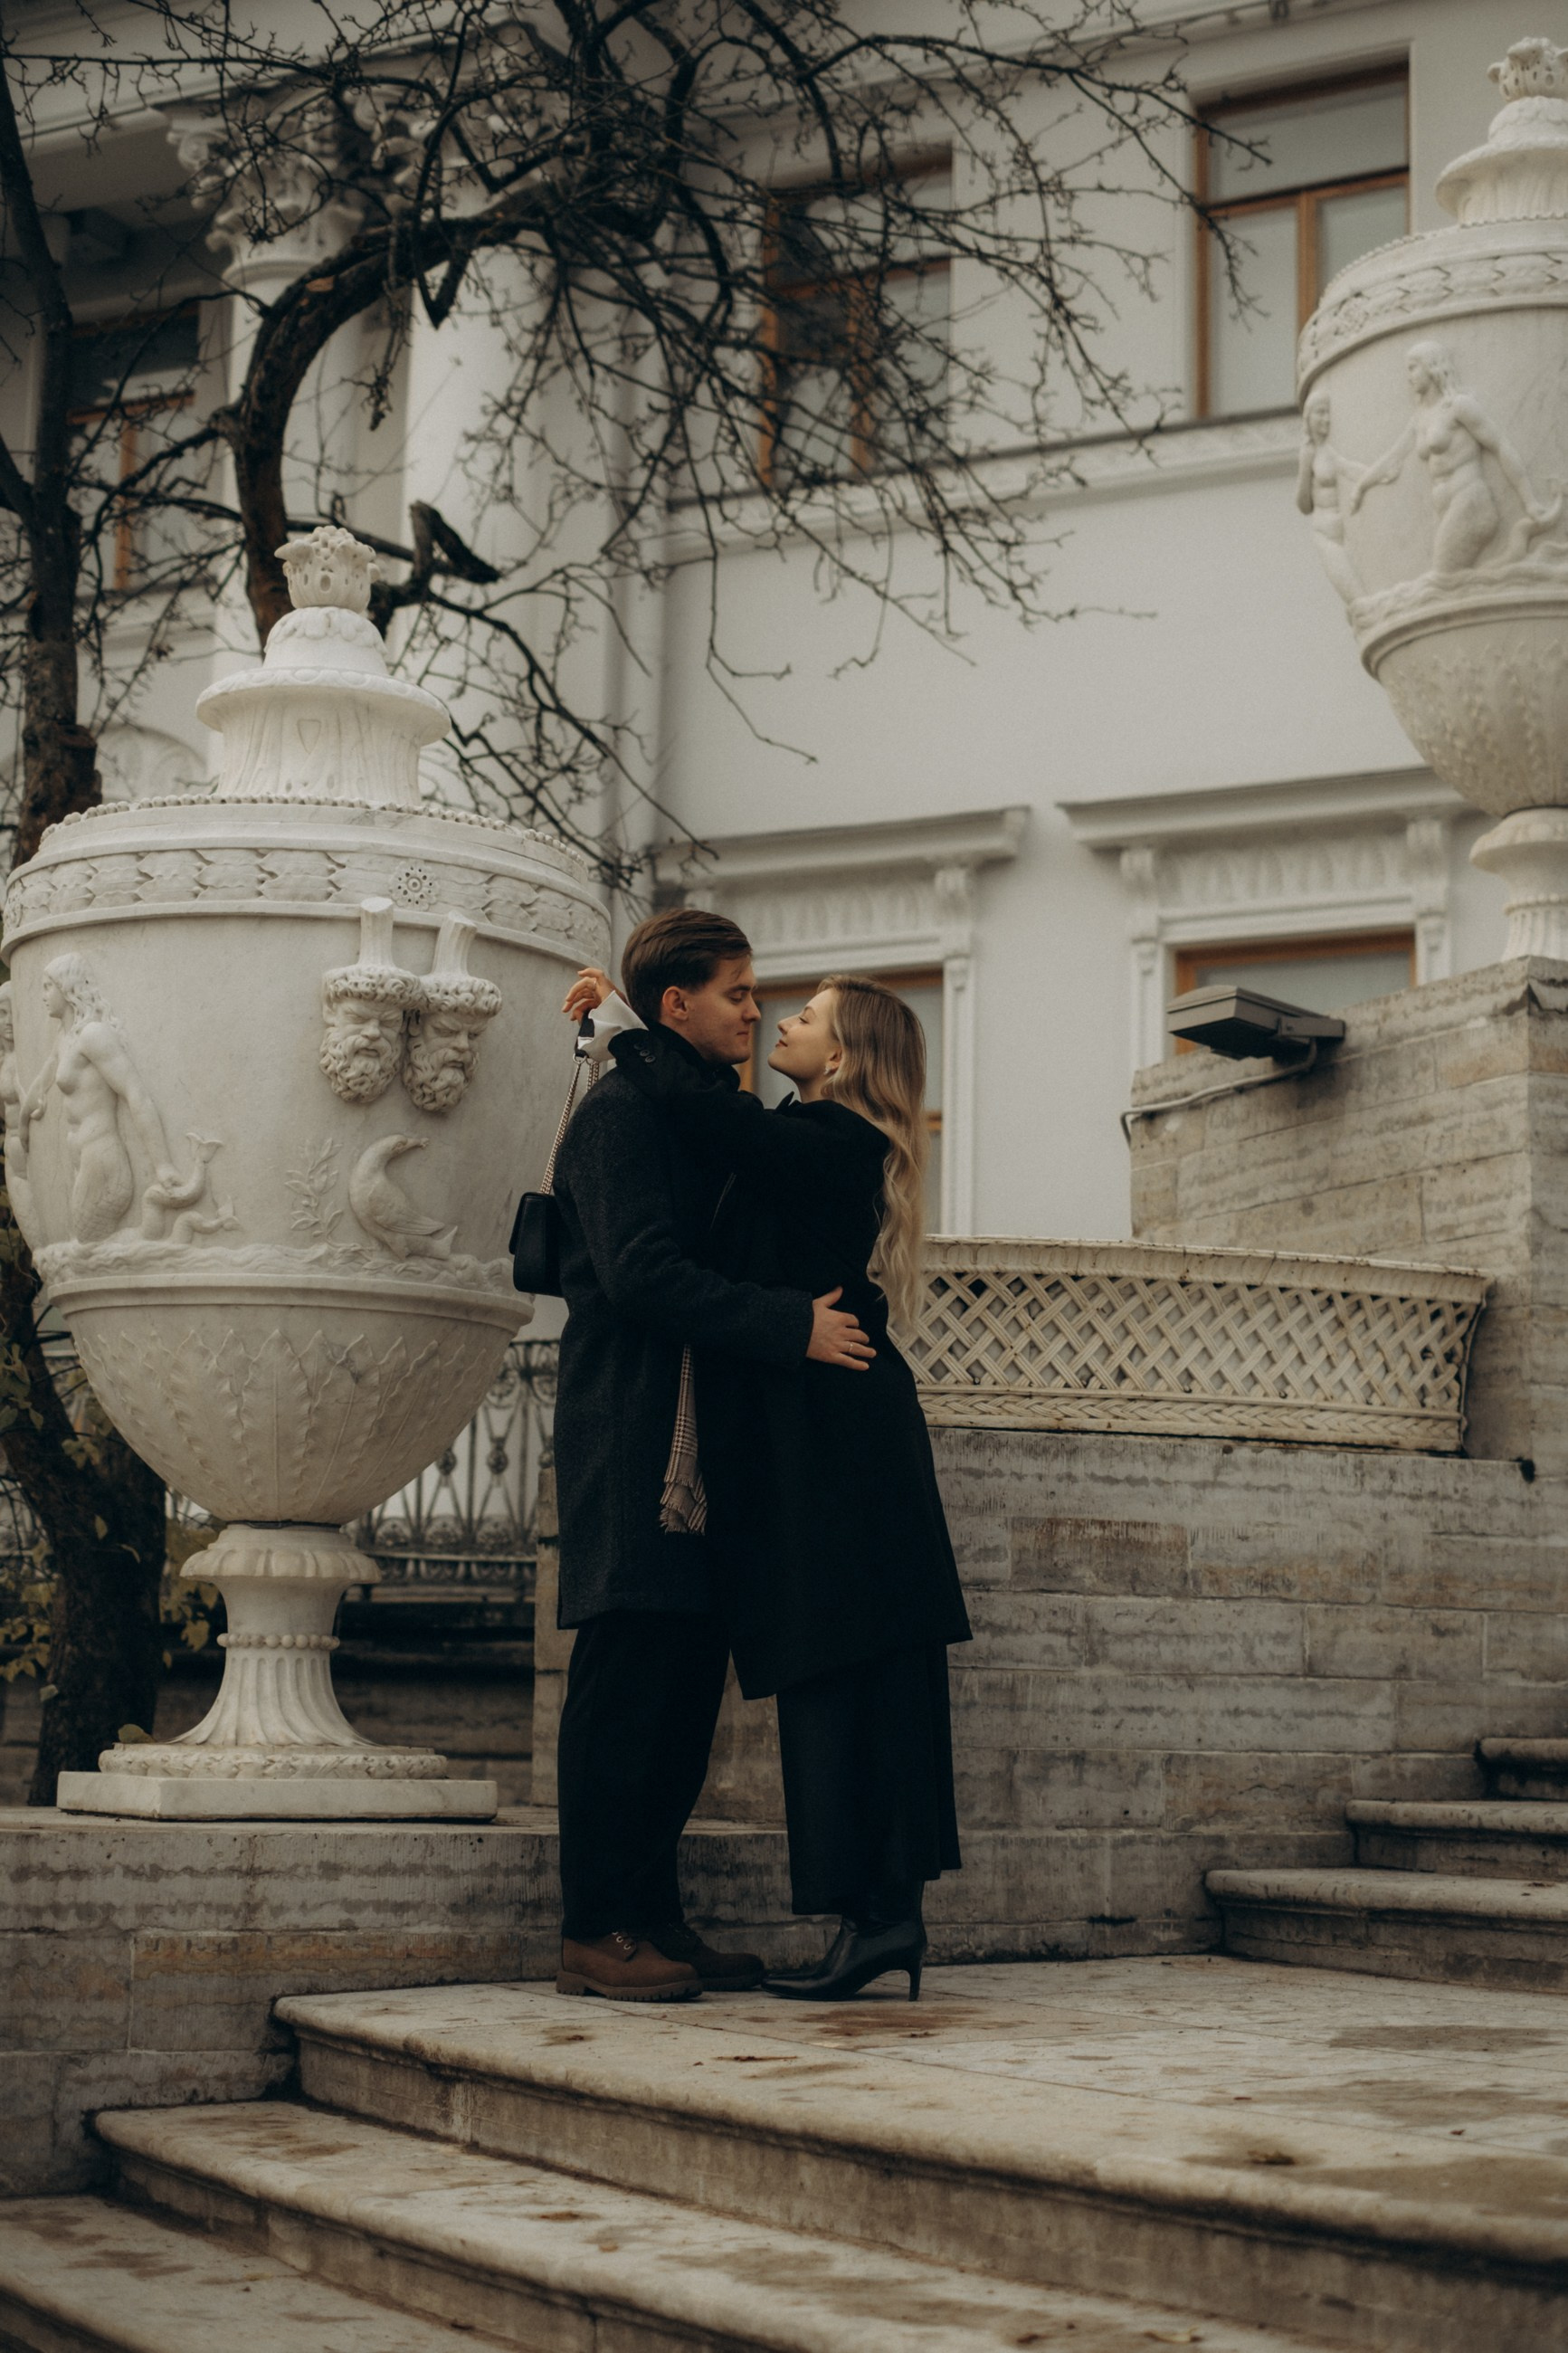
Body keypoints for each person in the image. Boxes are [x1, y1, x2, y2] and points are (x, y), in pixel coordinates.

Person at [565, 964, 971, 2002]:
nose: (773, 1017)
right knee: (836, 1675)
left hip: (849, 1446)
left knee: (856, 1673)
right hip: (822, 1441)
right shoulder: (801, 1133)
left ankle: (880, 1920)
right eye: (752, 997)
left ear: (841, 1055)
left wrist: (622, 1025)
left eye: (802, 1014)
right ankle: (876, 1921)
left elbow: (714, 1121)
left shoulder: (834, 1137)